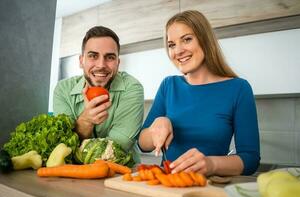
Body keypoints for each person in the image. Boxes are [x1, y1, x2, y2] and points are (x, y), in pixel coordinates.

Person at [138, 10, 260, 176]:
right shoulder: (169, 85)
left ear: (205, 40)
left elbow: (250, 159)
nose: (178, 51)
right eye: (172, 45)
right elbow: (142, 144)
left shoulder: (239, 89)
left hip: (210, 187)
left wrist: (211, 164)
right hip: (168, 186)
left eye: (187, 39)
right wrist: (158, 123)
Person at [53, 26, 144, 163]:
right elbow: (62, 145)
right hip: (73, 175)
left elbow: (118, 146)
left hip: (122, 174)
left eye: (110, 57)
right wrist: (85, 121)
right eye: (93, 56)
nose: (101, 65)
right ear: (81, 61)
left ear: (118, 63)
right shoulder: (63, 89)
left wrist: (76, 133)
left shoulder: (132, 88)